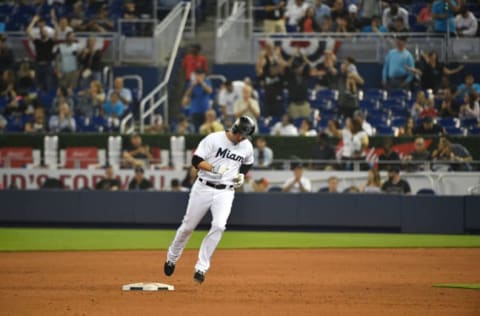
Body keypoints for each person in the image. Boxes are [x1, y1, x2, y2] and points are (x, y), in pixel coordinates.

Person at [164, 116, 255, 284]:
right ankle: (172, 256)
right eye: (240, 134)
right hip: (203, 187)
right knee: (188, 227)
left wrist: (241, 175)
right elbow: (196, 160)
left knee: (219, 225)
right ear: (234, 129)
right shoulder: (214, 139)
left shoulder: (247, 146)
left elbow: (248, 163)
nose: (242, 138)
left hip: (226, 192)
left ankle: (201, 267)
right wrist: (213, 168)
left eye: (245, 135)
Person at [256, 41, 287, 117]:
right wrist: (261, 55)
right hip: (268, 98)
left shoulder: (280, 72)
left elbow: (283, 66)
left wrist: (277, 55)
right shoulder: (265, 71)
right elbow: (258, 69)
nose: (274, 69)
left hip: (279, 97)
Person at [27, 15, 56, 92]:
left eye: (44, 31)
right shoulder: (37, 42)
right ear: (40, 34)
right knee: (38, 85)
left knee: (48, 85)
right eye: (42, 32)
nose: (43, 32)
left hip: (48, 66)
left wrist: (54, 19)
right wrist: (33, 21)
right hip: (38, 66)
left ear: (47, 33)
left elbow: (57, 31)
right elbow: (28, 31)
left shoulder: (50, 42)